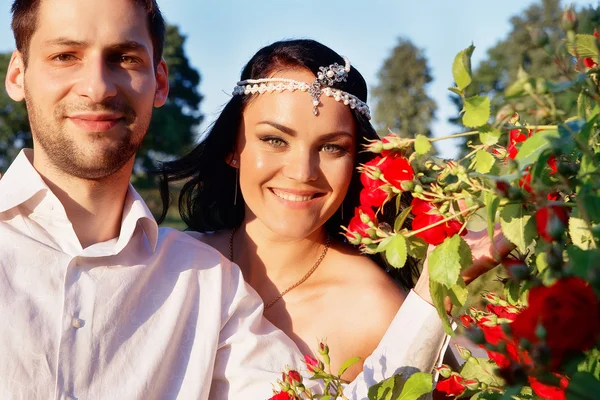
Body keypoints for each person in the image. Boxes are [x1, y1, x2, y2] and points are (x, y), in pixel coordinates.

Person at [0, 0, 467, 398]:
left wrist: (431, 300)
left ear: (160, 82)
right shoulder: (207, 266)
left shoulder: (207, 283)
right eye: (65, 55)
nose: (97, 86)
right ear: (18, 75)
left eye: (124, 57)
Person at [158, 39, 509, 380]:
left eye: (331, 147)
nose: (302, 172)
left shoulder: (375, 309)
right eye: (275, 140)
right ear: (232, 148)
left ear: (356, 160)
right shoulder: (171, 265)